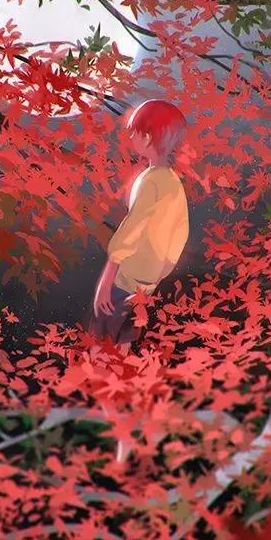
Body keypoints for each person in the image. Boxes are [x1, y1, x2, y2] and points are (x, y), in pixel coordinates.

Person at [88, 99, 189, 351]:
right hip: (147, 285)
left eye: (134, 132)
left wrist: (106, 282)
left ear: (147, 138)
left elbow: (132, 228)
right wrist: (158, 274)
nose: (130, 136)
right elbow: (180, 233)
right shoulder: (173, 183)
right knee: (123, 343)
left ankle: (93, 388)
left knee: (99, 344)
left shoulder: (150, 180)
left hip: (124, 280)